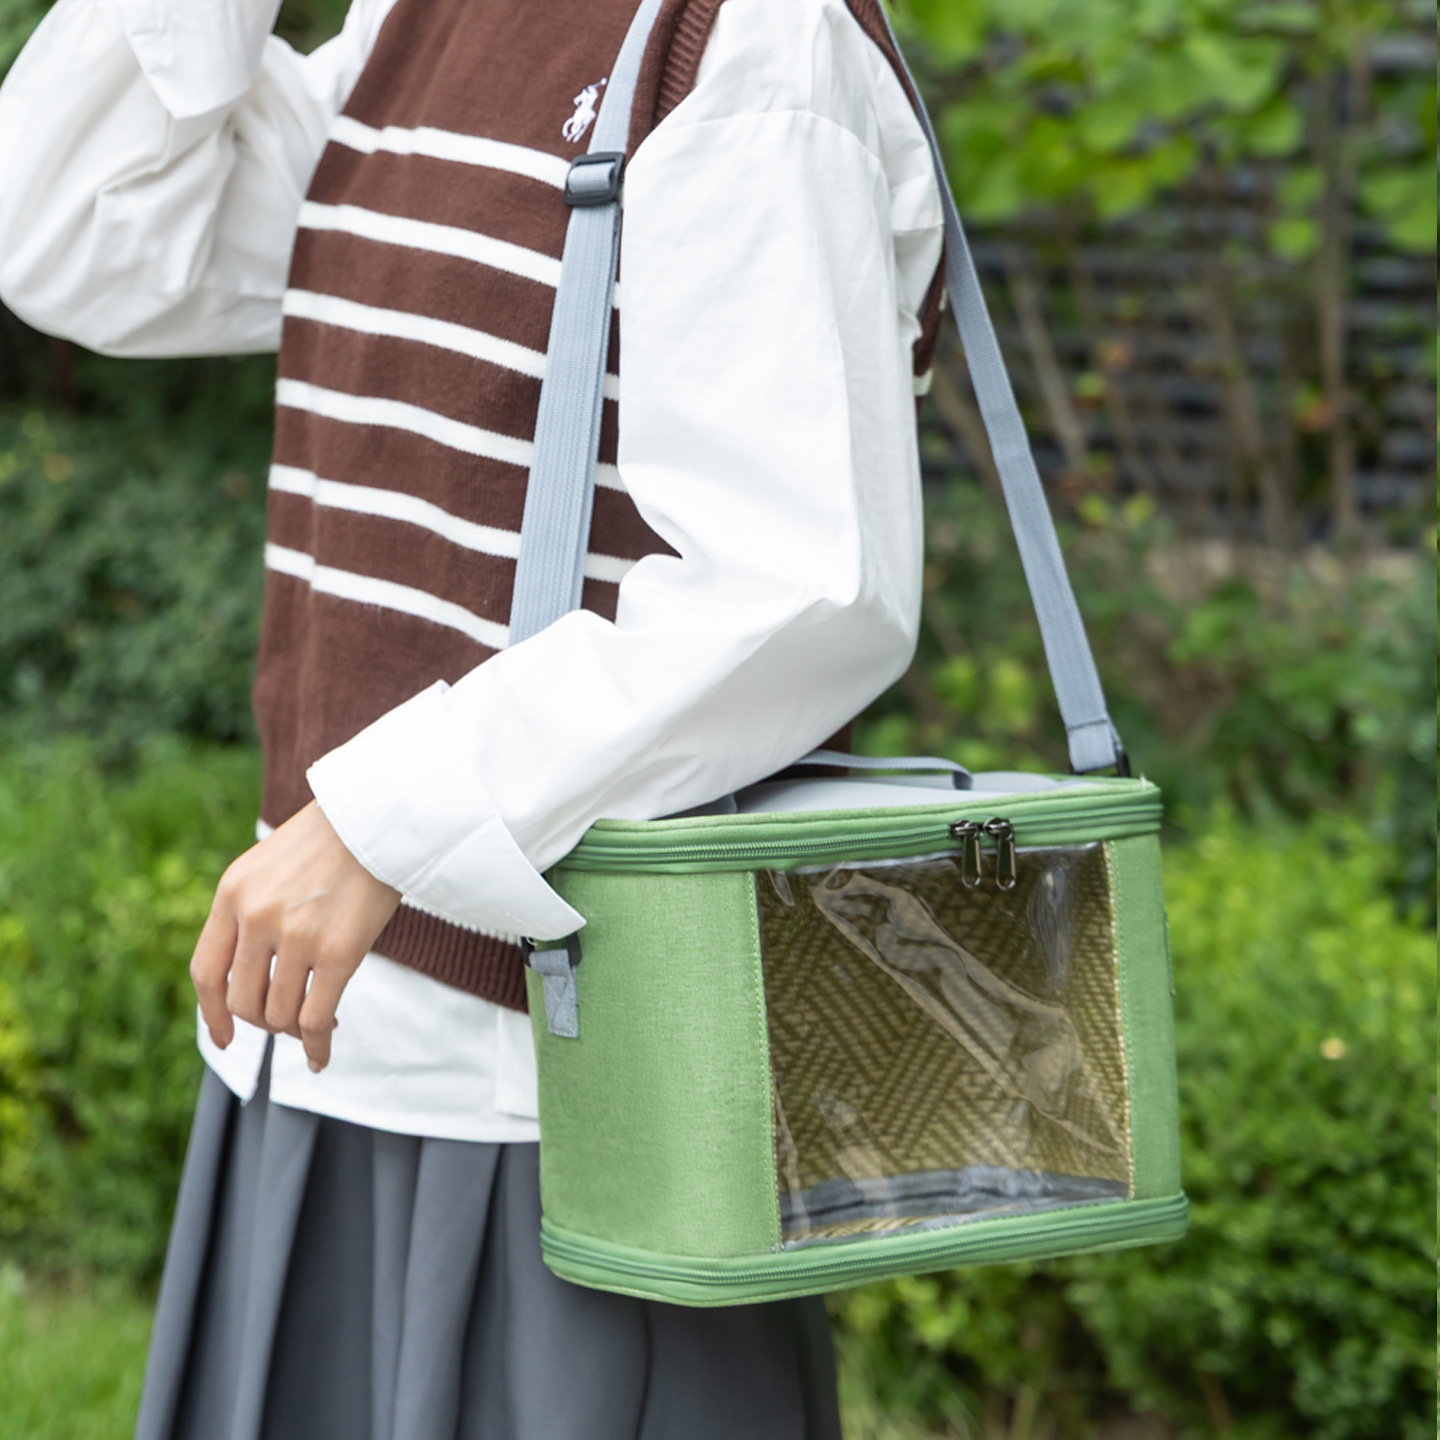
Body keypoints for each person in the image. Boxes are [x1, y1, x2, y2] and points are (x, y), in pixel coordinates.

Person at [0, 0, 942, 1433]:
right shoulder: (416, 13)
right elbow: (76, 235)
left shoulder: (748, 39)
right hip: (326, 1046)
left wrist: (383, 824)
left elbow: (799, 583)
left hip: (563, 1098)